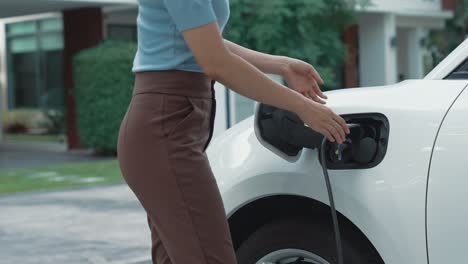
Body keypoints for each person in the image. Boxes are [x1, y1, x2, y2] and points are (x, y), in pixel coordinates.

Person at [116, 0, 350, 263]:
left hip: (169, 128)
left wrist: (280, 64)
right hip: (163, 128)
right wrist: (302, 107)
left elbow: (206, 42)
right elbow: (215, 62)